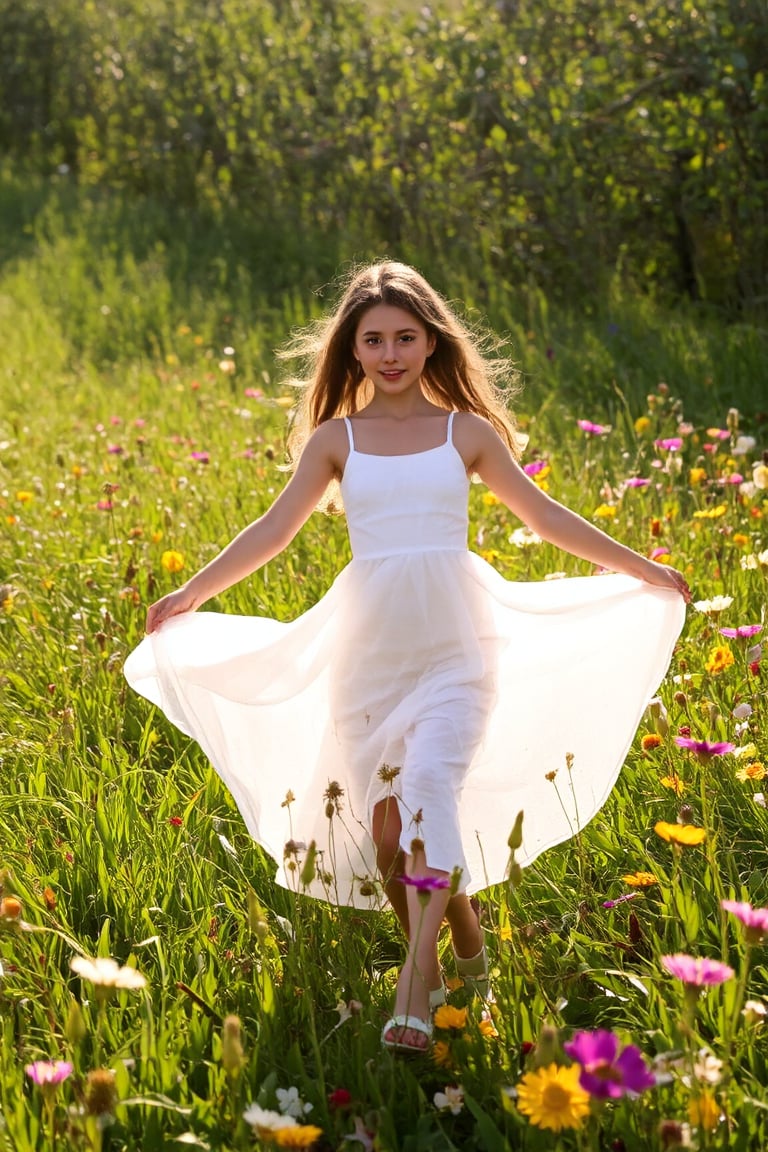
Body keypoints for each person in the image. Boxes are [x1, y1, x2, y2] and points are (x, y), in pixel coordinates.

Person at [124, 261, 689, 1054]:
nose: (390, 353)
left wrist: (642, 568)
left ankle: (413, 983)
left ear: (431, 343)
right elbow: (272, 531)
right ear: (353, 352)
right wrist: (189, 591)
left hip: (457, 649)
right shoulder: (337, 440)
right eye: (374, 340)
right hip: (369, 660)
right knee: (390, 843)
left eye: (405, 337)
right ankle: (470, 959)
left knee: (428, 791)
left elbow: (546, 516)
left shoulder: (466, 432)